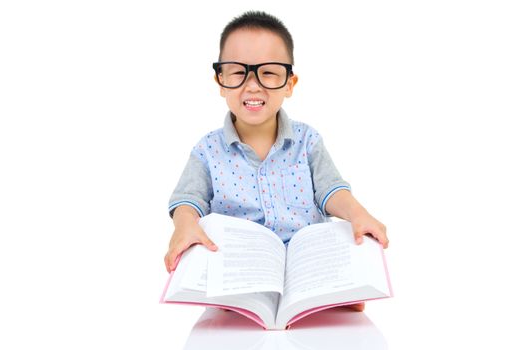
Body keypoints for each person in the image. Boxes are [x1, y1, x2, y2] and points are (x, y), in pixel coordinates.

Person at [164, 11, 388, 311]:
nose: (253, 85)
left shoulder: (307, 140)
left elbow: (330, 189)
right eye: (237, 72)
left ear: (290, 83)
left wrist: (358, 214)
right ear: (220, 80)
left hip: (304, 261)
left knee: (339, 272)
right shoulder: (207, 149)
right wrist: (184, 225)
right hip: (241, 266)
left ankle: (328, 296)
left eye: (268, 72)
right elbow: (188, 199)